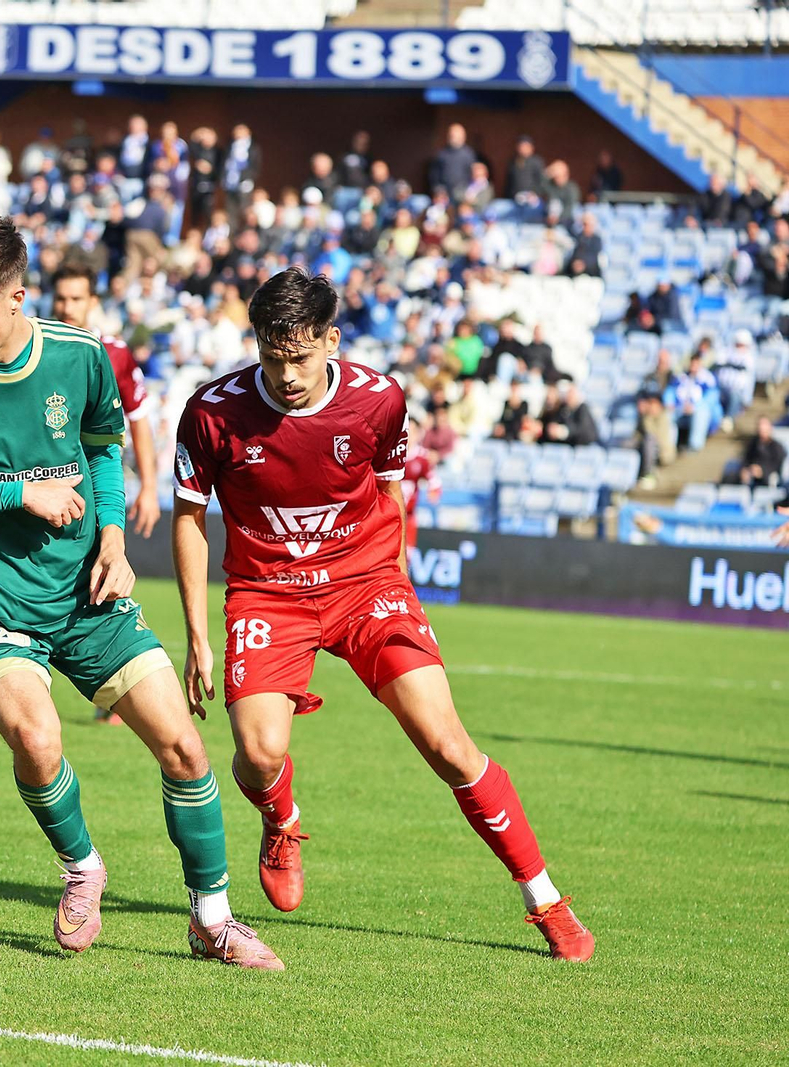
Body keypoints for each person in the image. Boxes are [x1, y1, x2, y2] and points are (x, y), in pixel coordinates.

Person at [0, 215, 281, 968]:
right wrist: (19, 492)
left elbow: (101, 454)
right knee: (37, 738)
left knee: (185, 747)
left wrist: (114, 539)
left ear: (17, 297)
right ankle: (82, 867)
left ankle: (213, 922)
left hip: (84, 590)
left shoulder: (81, 356)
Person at [172, 267, 594, 962]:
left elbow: (390, 493)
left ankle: (545, 899)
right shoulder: (212, 411)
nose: (287, 375)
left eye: (301, 356)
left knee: (447, 743)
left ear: (331, 340)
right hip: (269, 593)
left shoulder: (379, 400)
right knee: (259, 750)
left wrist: (394, 585)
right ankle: (281, 818)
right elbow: (189, 518)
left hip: (365, 584)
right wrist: (196, 635)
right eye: (273, 358)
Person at [51, 262, 162, 727]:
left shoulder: (113, 354)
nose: (67, 306)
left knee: (106, 572)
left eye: (76, 298)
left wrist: (149, 487)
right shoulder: (36, 347)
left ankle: (119, 686)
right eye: (61, 298)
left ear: (93, 302)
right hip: (44, 485)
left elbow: (138, 422)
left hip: (97, 487)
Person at [738, 417, 785, 488]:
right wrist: (745, 470)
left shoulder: (777, 447)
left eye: (764, 427)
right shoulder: (753, 444)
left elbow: (777, 465)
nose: (762, 429)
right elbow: (746, 459)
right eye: (760, 426)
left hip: (767, 479)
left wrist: (762, 471)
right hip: (751, 477)